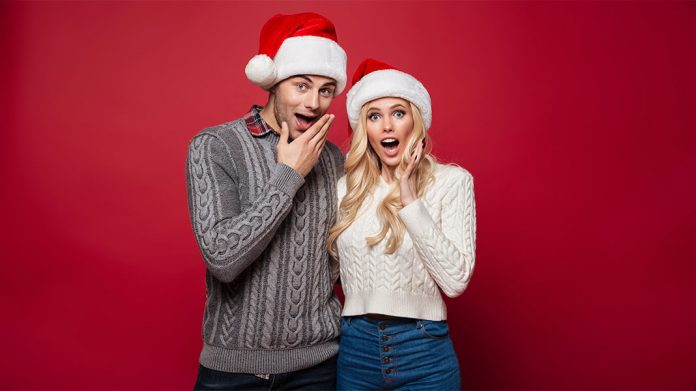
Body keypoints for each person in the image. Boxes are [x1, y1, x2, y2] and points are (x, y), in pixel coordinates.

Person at [186, 13, 347, 390]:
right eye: (302, 86)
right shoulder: (215, 147)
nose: (314, 102)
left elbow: (343, 261)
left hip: (319, 367)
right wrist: (288, 176)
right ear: (274, 83)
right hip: (233, 371)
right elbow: (223, 259)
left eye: (326, 90)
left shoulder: (336, 159)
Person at [327, 58, 477, 390]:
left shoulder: (452, 182)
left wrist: (410, 201)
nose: (387, 127)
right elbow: (324, 276)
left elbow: (454, 282)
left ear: (416, 120)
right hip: (356, 349)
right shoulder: (344, 190)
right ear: (365, 128)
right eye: (374, 116)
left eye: (398, 112)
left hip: (423, 350)